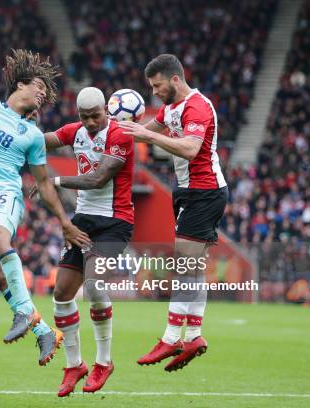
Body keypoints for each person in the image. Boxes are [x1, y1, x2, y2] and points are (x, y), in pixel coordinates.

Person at [0, 14, 90, 366]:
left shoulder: (32, 136)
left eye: (46, 93)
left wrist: (64, 222)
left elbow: (42, 182)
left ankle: (24, 315)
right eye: (39, 87)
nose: (43, 94)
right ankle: (43, 331)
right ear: (21, 85)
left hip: (3, 192)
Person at [119, 54, 228, 371]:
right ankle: (193, 335)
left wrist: (149, 137)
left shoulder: (197, 106)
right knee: (193, 266)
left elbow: (191, 148)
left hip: (204, 192)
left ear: (175, 79)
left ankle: (170, 338)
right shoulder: (171, 108)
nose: (154, 93)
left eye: (157, 85)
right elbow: (145, 128)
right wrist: (116, 132)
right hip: (189, 191)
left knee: (184, 263)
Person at [34, 87, 135, 396]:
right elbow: (41, 141)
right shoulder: (74, 131)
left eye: (96, 115)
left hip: (115, 222)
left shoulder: (121, 135)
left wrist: (55, 180)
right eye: (84, 116)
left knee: (93, 285)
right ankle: (74, 365)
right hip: (83, 221)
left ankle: (103, 362)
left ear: (107, 110)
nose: (90, 122)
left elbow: (98, 179)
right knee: (62, 293)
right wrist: (23, 124)